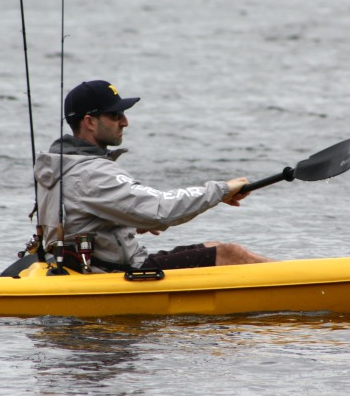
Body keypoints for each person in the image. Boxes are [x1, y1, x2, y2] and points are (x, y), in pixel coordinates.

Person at [33, 79, 270, 271]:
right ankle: (304, 285)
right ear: (90, 122)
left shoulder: (62, 164)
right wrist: (222, 190)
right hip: (114, 271)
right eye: (115, 116)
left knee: (215, 246)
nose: (125, 122)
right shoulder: (90, 173)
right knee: (232, 254)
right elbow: (159, 211)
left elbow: (80, 218)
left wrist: (129, 221)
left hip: (94, 263)